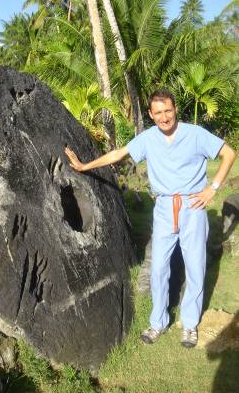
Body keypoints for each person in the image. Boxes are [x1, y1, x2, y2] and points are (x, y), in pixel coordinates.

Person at [65, 89, 236, 348]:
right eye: (158, 113)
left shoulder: (195, 134)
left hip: (193, 207)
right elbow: (117, 154)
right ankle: (158, 322)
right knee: (158, 268)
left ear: (175, 108)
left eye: (168, 110)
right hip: (165, 209)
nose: (164, 117)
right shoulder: (147, 139)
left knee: (195, 266)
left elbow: (229, 154)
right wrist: (84, 166)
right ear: (150, 114)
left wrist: (211, 189)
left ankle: (189, 324)